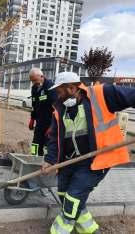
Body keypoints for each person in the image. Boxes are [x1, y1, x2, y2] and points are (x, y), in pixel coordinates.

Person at [42, 72, 135, 234]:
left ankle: (61, 229)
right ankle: (89, 228)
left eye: (60, 91)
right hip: (69, 161)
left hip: (95, 161)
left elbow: (132, 95)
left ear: (72, 88)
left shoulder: (102, 94)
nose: (57, 95)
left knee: (73, 197)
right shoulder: (60, 109)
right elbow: (54, 137)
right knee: (64, 194)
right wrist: (50, 160)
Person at [29, 68, 57, 156]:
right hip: (39, 121)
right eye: (32, 81)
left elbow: (56, 108)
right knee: (35, 142)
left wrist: (53, 125)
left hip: (49, 122)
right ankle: (33, 156)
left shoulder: (50, 87)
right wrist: (32, 119)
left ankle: (45, 161)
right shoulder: (34, 88)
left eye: (35, 80)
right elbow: (34, 104)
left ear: (41, 76)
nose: (34, 83)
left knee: (47, 144)